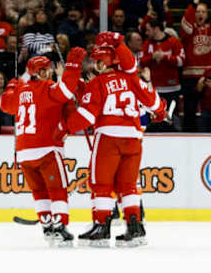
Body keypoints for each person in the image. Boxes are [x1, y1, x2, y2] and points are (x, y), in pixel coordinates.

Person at [54, 33, 167, 248]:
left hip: (109, 138)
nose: (93, 65)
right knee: (128, 185)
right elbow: (153, 101)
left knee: (101, 183)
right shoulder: (132, 78)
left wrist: (65, 128)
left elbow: (87, 116)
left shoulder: (98, 82)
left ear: (101, 62)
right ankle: (135, 227)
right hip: (134, 138)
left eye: (95, 61)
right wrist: (160, 112)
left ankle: (101, 225)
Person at [0, 48, 87, 247]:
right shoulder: (47, 88)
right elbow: (67, 90)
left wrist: (11, 86)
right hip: (46, 148)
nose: (48, 71)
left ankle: (47, 225)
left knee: (39, 191)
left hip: (23, 153)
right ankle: (61, 226)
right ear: (39, 72)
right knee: (57, 189)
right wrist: (72, 66)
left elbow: (5, 105)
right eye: (45, 69)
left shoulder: (20, 91)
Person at [180, 0, 211, 132]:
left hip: (209, 76)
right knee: (190, 112)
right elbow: (185, 21)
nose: (200, 14)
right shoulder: (189, 31)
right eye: (198, 11)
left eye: (203, 12)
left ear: (207, 14)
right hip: (190, 77)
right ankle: (189, 139)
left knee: (208, 111)